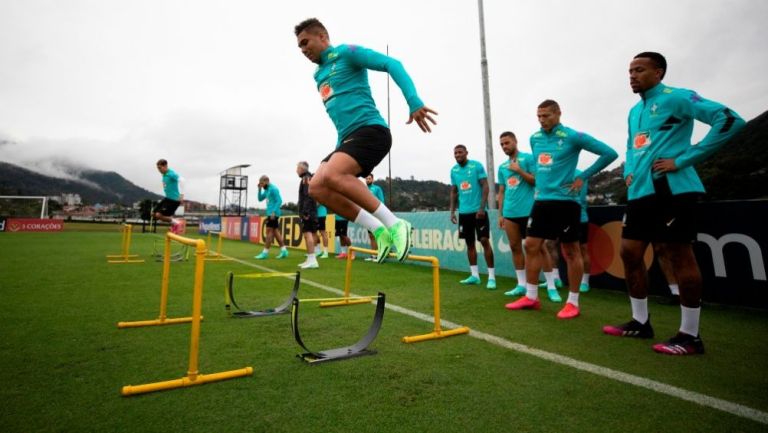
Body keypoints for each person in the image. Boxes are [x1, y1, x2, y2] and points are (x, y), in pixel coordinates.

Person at [603, 52, 745, 354]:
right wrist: (629, 172)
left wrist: (683, 159)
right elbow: (631, 145)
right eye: (629, 71)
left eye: (639, 70)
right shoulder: (633, 111)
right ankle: (640, 322)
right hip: (640, 193)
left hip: (673, 190)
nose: (632, 75)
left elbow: (730, 120)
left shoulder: (677, 97)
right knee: (629, 253)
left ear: (659, 72)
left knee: (678, 254)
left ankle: (690, 335)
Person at [294, 18, 437, 264]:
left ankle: (395, 224)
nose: (303, 50)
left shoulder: (348, 53)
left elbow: (392, 63)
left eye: (306, 42)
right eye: (299, 47)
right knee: (316, 186)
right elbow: (340, 118)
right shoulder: (318, 75)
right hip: (347, 140)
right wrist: (340, 150)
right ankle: (378, 230)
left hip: (372, 131)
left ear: (323, 37)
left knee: (332, 175)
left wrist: (414, 101)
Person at [506, 99, 618, 319]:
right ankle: (531, 296)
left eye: (546, 115)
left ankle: (573, 303)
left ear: (558, 113)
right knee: (531, 245)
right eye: (538, 116)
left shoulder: (573, 136)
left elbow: (609, 153)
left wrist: (582, 176)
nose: (542, 120)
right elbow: (542, 167)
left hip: (566, 201)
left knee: (570, 251)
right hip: (541, 200)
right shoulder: (534, 138)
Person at [450, 144, 496, 289]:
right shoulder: (454, 170)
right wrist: (452, 211)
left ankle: (491, 277)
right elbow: (453, 191)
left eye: (460, 152)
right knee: (469, 244)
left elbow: (486, 186)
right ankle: (474, 276)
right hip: (464, 213)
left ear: (466, 153)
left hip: (478, 212)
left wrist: (482, 208)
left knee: (484, 240)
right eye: (455, 153)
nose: (457, 155)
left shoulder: (476, 166)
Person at [495, 132, 535, 296]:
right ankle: (521, 284)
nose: (505, 146)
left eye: (507, 143)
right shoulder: (502, 167)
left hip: (529, 211)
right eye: (502, 144)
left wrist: (519, 170)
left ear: (515, 141)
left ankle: (552, 285)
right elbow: (502, 192)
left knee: (537, 249)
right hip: (510, 213)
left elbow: (536, 180)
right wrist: (500, 214)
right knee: (515, 247)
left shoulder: (528, 159)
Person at [254, 175, 288, 259]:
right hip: (270, 213)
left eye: (262, 183)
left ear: (266, 181)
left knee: (269, 232)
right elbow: (260, 199)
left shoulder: (273, 189)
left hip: (273, 214)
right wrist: (259, 189)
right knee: (276, 233)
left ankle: (265, 253)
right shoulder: (267, 190)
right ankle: (284, 251)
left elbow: (279, 201)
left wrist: (273, 211)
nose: (261, 185)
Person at [296, 161, 319, 269]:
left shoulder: (306, 178)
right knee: (308, 235)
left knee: (308, 234)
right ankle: (310, 259)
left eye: (297, 168)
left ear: (302, 169)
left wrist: (305, 212)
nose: (296, 170)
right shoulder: (307, 177)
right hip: (311, 211)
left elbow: (308, 195)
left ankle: (312, 260)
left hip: (308, 212)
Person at [154, 159, 184, 234]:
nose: (159, 170)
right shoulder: (164, 175)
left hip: (173, 200)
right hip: (167, 198)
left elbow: (182, 180)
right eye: (158, 168)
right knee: (154, 213)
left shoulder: (171, 174)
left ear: (165, 166)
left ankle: (176, 223)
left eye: (160, 168)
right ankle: (174, 224)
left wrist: (182, 194)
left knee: (158, 215)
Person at [365, 174, 386, 261]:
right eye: (366, 178)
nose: (367, 180)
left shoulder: (377, 188)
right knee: (371, 236)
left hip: (375, 214)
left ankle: (380, 254)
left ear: (373, 179)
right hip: (368, 215)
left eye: (369, 178)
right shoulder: (364, 189)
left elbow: (382, 201)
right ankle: (373, 255)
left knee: (377, 235)